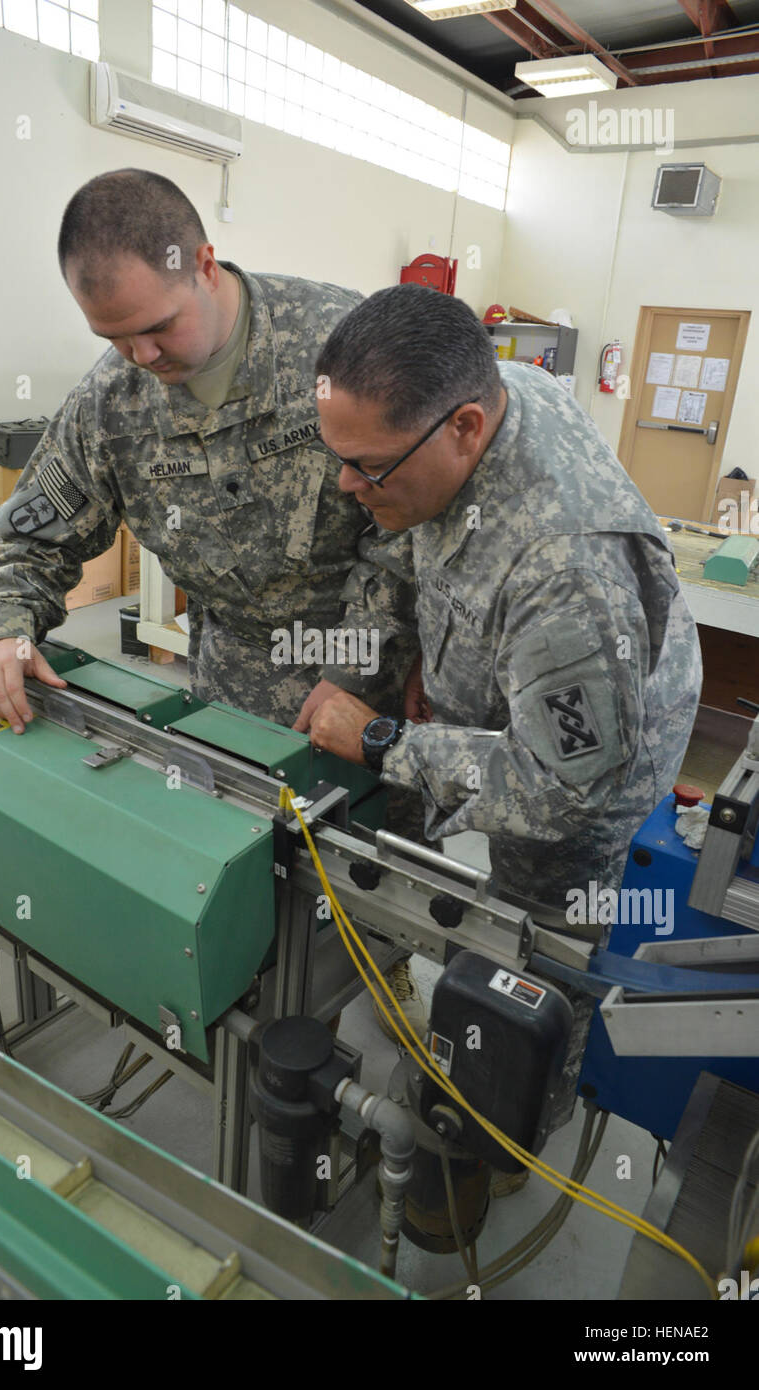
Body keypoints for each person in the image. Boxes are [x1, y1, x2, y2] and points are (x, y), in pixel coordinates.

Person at [0, 168, 424, 1035]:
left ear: (205, 264)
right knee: (247, 913)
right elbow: (34, 531)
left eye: (155, 328)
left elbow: (416, 531)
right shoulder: (112, 397)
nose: (141, 358)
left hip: (369, 686)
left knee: (368, 919)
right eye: (115, 337)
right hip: (231, 695)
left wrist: (372, 671)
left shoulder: (340, 347)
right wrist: (5, 630)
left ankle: (390, 1052)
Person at [296, 283, 703, 1146]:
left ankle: (516, 1121)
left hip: (597, 758)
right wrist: (427, 658)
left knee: (542, 942)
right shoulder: (489, 394)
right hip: (540, 682)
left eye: (367, 467)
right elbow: (443, 547)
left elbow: (563, 789)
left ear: (466, 429)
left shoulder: (568, 570)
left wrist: (382, 743)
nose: (346, 485)